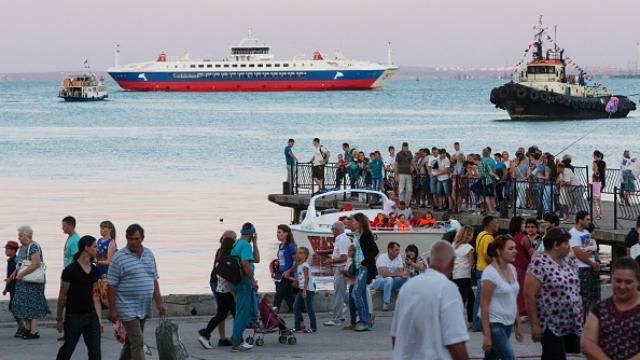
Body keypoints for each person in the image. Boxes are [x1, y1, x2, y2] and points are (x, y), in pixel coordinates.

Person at [391, 241, 471, 360]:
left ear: (429, 260)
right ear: (452, 263)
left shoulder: (407, 288)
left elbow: (395, 336)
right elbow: (455, 341)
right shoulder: (448, 289)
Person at [107, 224, 167, 359]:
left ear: (142, 238)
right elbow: (111, 285)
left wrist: (160, 303)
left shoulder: (149, 255)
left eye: (136, 239)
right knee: (138, 342)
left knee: (131, 341)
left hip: (143, 306)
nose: (133, 242)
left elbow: (153, 279)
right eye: (130, 239)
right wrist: (112, 309)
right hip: (126, 306)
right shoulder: (119, 257)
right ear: (126, 238)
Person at [524, 227, 582, 360]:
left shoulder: (567, 262)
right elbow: (529, 294)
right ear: (556, 245)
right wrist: (534, 324)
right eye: (566, 243)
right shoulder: (539, 263)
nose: (569, 247)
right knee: (555, 356)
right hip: (550, 324)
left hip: (569, 324)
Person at [581, 257, 640, 359]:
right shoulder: (599, 309)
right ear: (611, 279)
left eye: (628, 282)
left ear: (638, 282)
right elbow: (586, 343)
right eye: (618, 281)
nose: (622, 286)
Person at [56, 235, 102, 360]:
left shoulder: (94, 270)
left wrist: (99, 319)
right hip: (74, 316)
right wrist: (59, 319)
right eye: (95, 246)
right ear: (86, 248)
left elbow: (95, 296)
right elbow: (62, 296)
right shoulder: (70, 270)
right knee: (68, 348)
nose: (97, 249)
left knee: (95, 351)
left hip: (91, 316)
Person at [480, 235, 523, 360]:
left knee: (491, 357)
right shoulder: (490, 273)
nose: (515, 251)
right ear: (499, 251)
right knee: (508, 357)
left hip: (508, 323)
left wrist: (518, 324)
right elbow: (484, 305)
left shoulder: (513, 269)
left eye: (515, 248)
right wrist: (487, 335)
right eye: (510, 248)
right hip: (494, 324)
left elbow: (513, 299)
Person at [9, 225, 50, 339]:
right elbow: (20, 264)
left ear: (26, 235)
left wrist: (21, 274)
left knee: (32, 304)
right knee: (23, 304)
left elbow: (36, 264)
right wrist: (15, 273)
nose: (19, 238)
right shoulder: (22, 248)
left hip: (33, 282)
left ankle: (34, 330)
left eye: (20, 236)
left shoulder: (34, 247)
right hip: (23, 282)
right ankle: (27, 328)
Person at [198, 235, 236, 349]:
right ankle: (239, 341)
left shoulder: (221, 257)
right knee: (236, 314)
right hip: (226, 292)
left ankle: (205, 334)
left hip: (220, 290)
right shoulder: (227, 259)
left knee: (221, 315)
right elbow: (228, 278)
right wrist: (234, 294)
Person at [228, 223, 260, 352]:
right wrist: (252, 280)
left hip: (235, 282)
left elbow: (256, 259)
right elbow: (245, 263)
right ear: (252, 234)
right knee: (242, 313)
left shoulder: (236, 244)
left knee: (241, 311)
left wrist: (255, 244)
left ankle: (237, 338)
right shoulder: (246, 245)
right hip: (244, 282)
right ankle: (236, 343)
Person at [569, 211, 600, 320]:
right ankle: (581, 322)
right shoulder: (573, 234)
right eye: (587, 219)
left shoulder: (586, 232)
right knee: (584, 298)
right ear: (580, 220)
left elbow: (592, 249)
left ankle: (591, 320)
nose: (589, 222)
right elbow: (579, 254)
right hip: (582, 269)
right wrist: (592, 263)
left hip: (592, 267)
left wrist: (596, 261)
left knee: (595, 297)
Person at [351, 213, 379, 332]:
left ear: (359, 222)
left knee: (356, 293)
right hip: (359, 267)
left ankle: (364, 321)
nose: (352, 223)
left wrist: (365, 262)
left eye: (353, 221)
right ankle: (366, 319)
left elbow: (374, 250)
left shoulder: (366, 235)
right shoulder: (358, 235)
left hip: (364, 268)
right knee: (361, 294)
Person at [472, 216, 498, 331]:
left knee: (479, 298)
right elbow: (486, 255)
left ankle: (477, 323)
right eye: (496, 223)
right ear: (489, 225)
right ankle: (478, 324)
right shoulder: (489, 238)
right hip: (484, 270)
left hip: (479, 268)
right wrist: (496, 265)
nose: (498, 225)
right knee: (482, 299)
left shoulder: (480, 235)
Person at [324, 222, 349, 326]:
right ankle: (356, 310)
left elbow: (344, 257)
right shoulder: (341, 239)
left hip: (341, 268)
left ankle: (336, 318)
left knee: (339, 294)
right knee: (343, 293)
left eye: (332, 229)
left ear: (337, 229)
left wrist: (331, 261)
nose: (332, 232)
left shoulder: (342, 240)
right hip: (340, 268)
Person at [371, 242, 409, 311]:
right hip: (380, 282)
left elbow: (401, 273)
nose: (398, 252)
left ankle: (405, 302)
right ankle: (386, 303)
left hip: (392, 281)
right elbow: (384, 274)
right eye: (396, 250)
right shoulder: (382, 257)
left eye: (398, 250)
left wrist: (402, 274)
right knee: (388, 279)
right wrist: (398, 274)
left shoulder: (399, 257)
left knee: (405, 278)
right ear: (390, 249)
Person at [452, 225, 475, 324]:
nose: (473, 236)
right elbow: (471, 263)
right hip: (464, 275)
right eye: (472, 234)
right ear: (468, 236)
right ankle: (463, 321)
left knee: (468, 297)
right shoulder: (468, 248)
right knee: (465, 299)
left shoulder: (454, 245)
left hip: (455, 274)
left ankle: (469, 320)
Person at [291, 247, 317, 333]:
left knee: (309, 308)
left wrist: (305, 291)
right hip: (301, 289)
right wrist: (295, 280)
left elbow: (307, 278)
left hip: (308, 290)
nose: (298, 255)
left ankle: (313, 327)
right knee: (295, 306)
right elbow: (301, 278)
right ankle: (297, 326)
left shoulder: (305, 266)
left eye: (301, 253)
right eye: (297, 253)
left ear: (306, 255)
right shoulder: (299, 265)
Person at [3, 240, 26, 337]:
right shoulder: (10, 261)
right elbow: (8, 276)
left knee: (14, 307)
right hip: (12, 288)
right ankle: (22, 326)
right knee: (13, 307)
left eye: (8, 249)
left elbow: (16, 273)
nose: (6, 251)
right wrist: (6, 288)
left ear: (13, 250)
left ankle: (22, 327)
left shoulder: (16, 261)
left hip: (17, 288)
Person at [515, 218, 537, 317]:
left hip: (525, 267)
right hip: (524, 267)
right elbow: (532, 255)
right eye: (527, 226)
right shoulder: (524, 238)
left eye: (532, 227)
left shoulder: (537, 238)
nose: (529, 229)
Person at [273, 225, 297, 313]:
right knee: (289, 297)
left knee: (278, 296)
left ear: (286, 233)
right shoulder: (280, 246)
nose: (277, 234)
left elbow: (296, 262)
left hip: (288, 275)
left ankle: (272, 316)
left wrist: (289, 271)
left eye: (279, 232)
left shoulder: (290, 246)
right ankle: (296, 312)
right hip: (280, 274)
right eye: (277, 232)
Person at [95, 220, 117, 309]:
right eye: (101, 228)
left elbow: (109, 261)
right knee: (96, 297)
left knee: (104, 298)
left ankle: (117, 315)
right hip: (98, 271)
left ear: (110, 229)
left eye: (104, 228)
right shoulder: (99, 241)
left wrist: (97, 262)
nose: (101, 230)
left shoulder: (111, 242)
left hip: (106, 273)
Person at [343, 245, 357, 330]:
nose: (348, 252)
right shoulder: (349, 260)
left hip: (355, 284)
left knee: (353, 304)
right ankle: (353, 321)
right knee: (352, 304)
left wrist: (345, 273)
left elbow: (351, 274)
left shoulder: (354, 261)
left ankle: (353, 322)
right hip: (351, 283)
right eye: (348, 251)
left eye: (350, 251)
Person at [592, 150, 606, 219]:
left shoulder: (595, 163)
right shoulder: (604, 162)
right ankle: (601, 214)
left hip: (596, 182)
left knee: (596, 200)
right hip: (602, 181)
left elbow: (596, 172)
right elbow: (604, 172)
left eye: (593, 156)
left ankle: (598, 214)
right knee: (599, 199)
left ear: (595, 156)